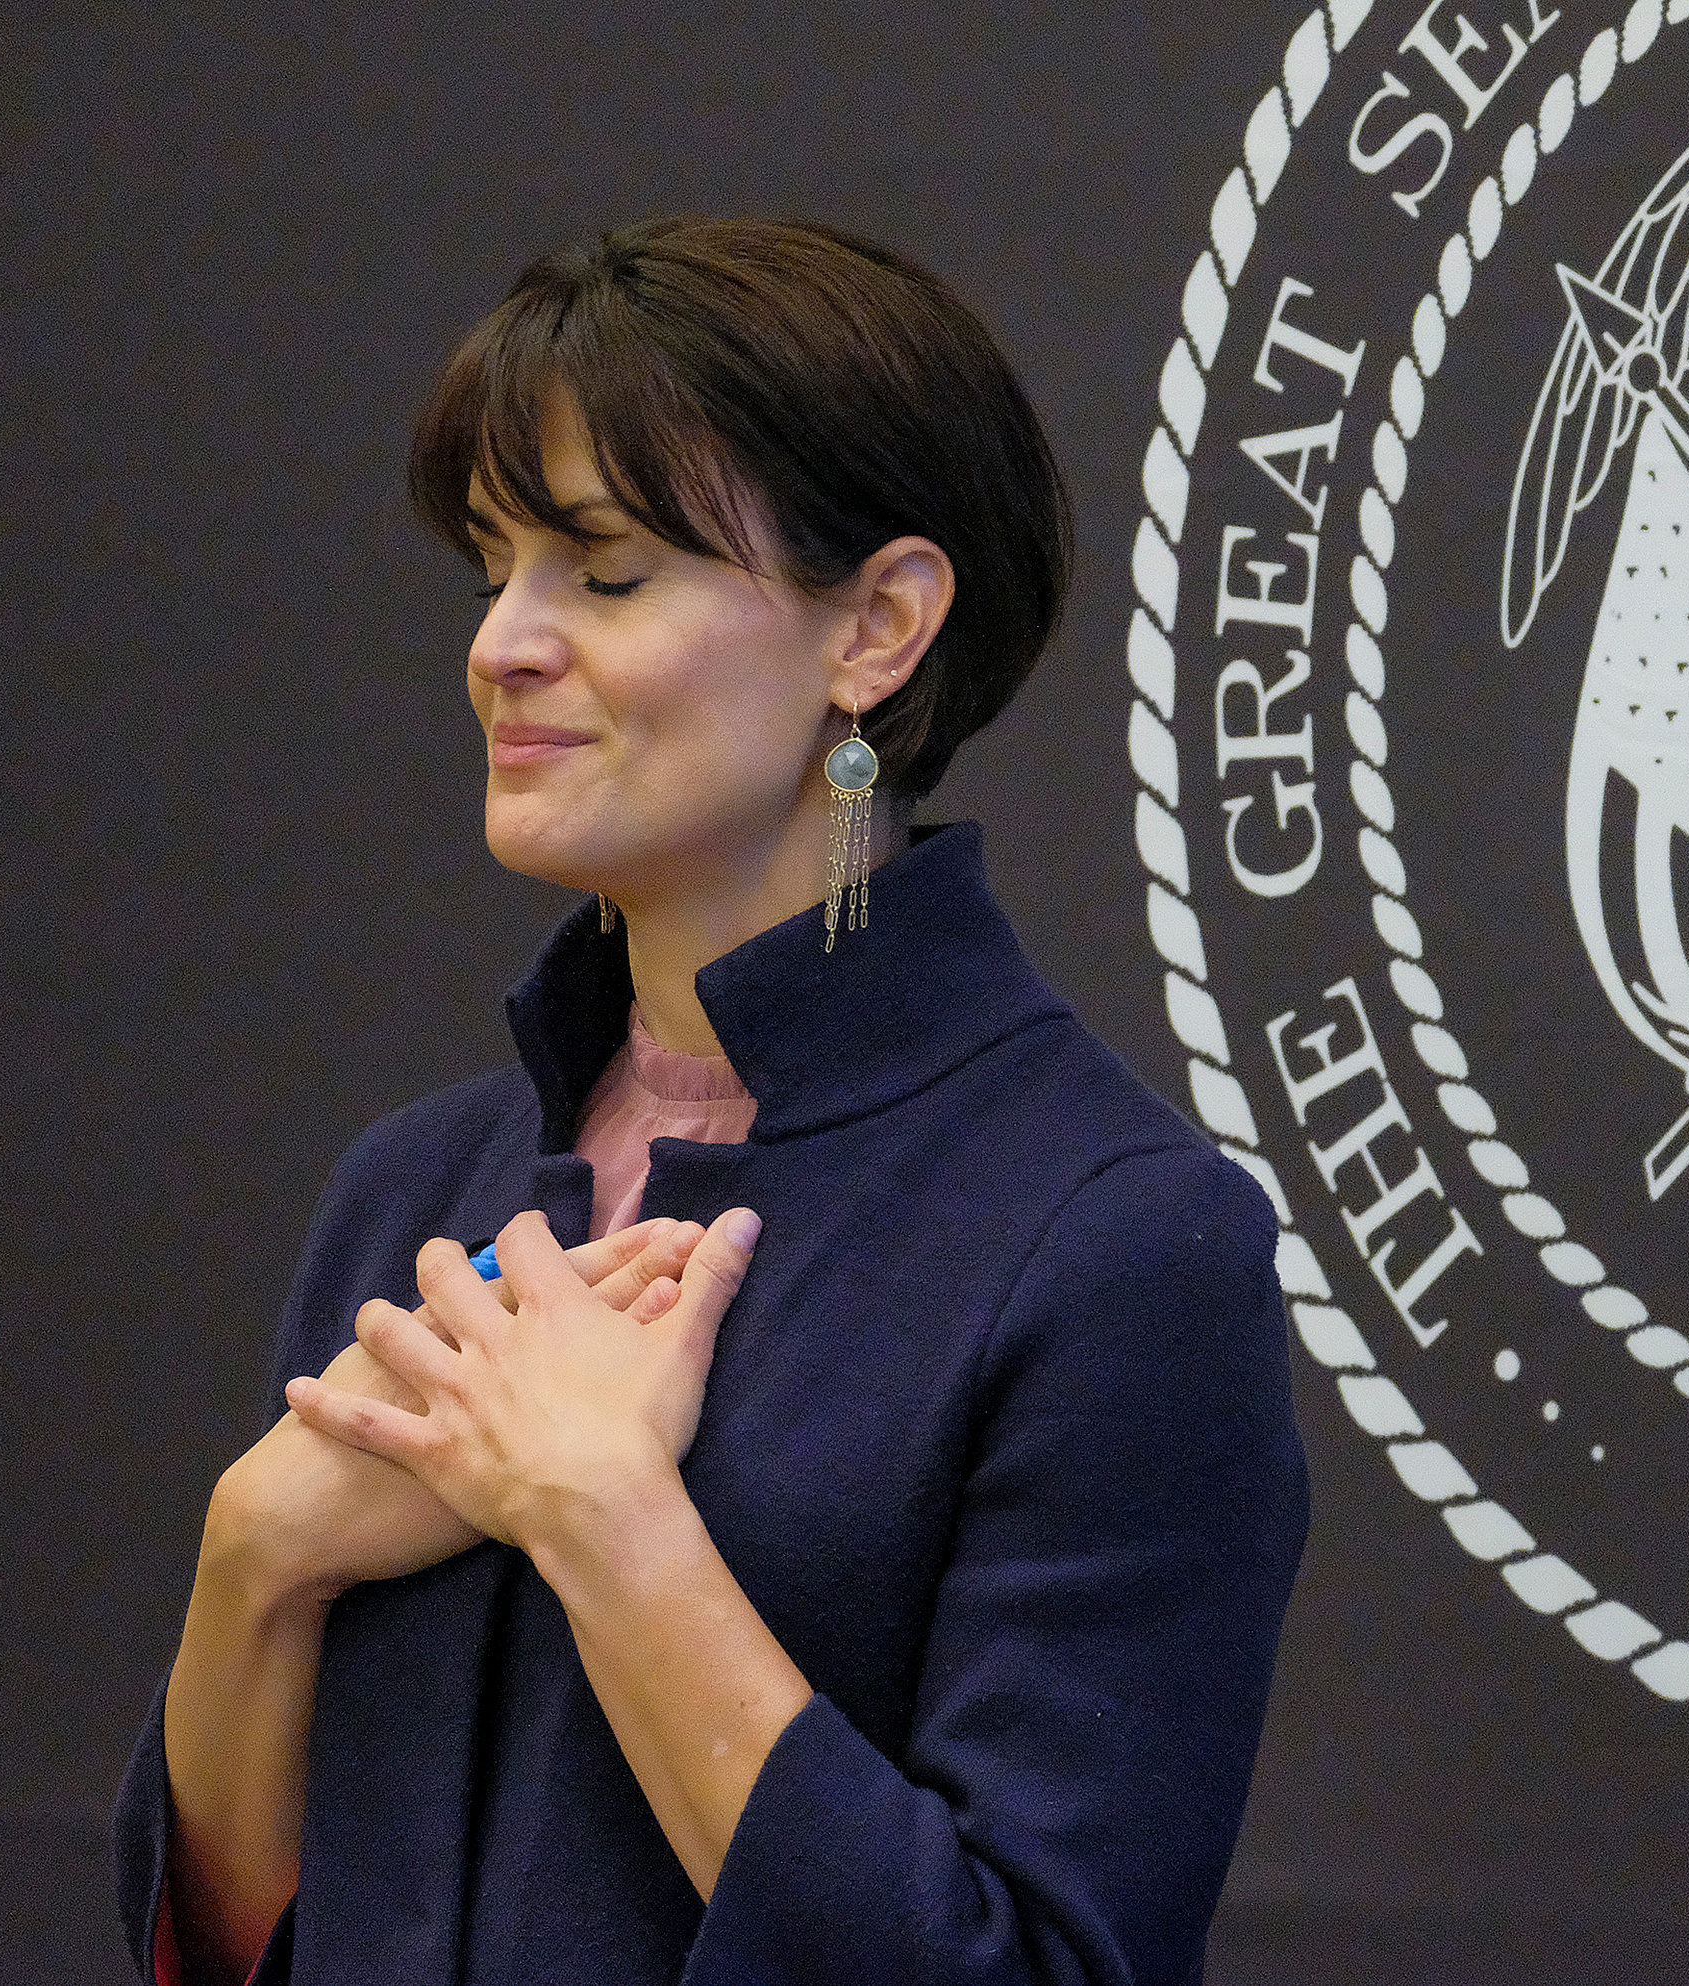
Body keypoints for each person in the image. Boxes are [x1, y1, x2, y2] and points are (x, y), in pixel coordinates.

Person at [113, 215, 1309, 1986]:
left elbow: (1033, 1962)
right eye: (490, 570)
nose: (503, 646)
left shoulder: (1117, 1237)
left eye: (602, 572)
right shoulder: (414, 1185)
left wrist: (607, 1521)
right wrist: (255, 1559)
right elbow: (228, 1945)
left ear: (879, 628)